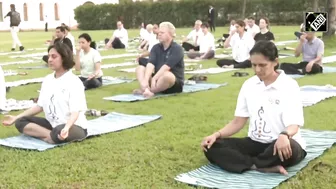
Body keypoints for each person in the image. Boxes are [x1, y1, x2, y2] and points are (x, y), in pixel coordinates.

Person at [202, 40, 307, 175]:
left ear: (275, 62)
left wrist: (284, 135)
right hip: (255, 142)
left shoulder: (289, 85)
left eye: (262, 65)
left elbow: (294, 124)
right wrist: (216, 135)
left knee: (288, 148)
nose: (257, 70)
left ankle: (246, 163)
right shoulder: (249, 85)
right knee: (211, 146)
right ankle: (258, 166)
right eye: (254, 65)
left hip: (282, 142)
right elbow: (238, 121)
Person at [2, 42, 88, 144]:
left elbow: (75, 113)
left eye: (54, 56)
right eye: (49, 56)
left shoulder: (74, 82)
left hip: (74, 126)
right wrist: (16, 117)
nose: (50, 59)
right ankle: (51, 137)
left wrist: (66, 128)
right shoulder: (48, 80)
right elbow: (39, 106)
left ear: (64, 58)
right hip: (52, 125)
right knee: (20, 122)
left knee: (59, 130)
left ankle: (52, 136)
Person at [133, 22, 184, 98]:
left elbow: (166, 67)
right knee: (140, 68)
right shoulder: (156, 47)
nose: (159, 34)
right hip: (157, 80)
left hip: (173, 83)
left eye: (162, 33)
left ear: (170, 34)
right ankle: (146, 89)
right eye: (159, 32)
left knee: (167, 75)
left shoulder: (177, 49)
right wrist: (146, 80)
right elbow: (150, 64)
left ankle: (150, 91)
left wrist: (154, 78)